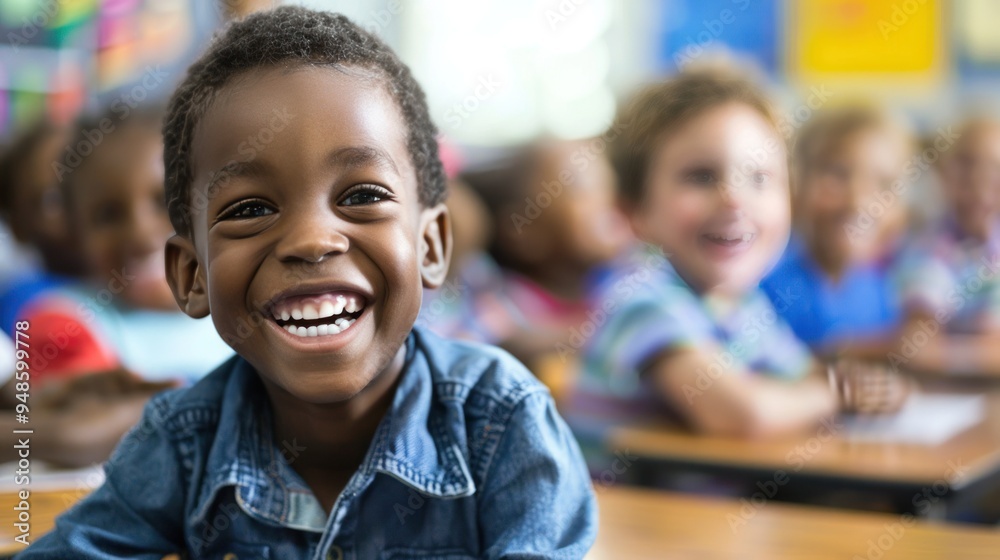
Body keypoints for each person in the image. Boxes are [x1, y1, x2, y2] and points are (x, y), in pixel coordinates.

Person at [23, 7, 596, 558]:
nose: (311, 240)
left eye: (362, 196)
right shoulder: (182, 441)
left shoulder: (500, 422)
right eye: (249, 208)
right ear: (191, 275)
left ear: (430, 245)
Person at [570, 69, 910, 445]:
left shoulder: (744, 307)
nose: (734, 198)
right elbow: (743, 415)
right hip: (641, 504)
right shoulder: (641, 301)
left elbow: (804, 377)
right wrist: (838, 395)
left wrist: (868, 389)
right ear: (635, 213)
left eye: (760, 178)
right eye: (700, 177)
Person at [761, 104, 911, 356]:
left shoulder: (880, 293)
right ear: (794, 185)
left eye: (884, 184)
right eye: (838, 174)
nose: (859, 202)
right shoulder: (764, 279)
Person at [888, 117, 1000, 375]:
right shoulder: (929, 252)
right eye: (966, 164)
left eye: (996, 168)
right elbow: (918, 349)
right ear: (941, 170)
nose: (981, 182)